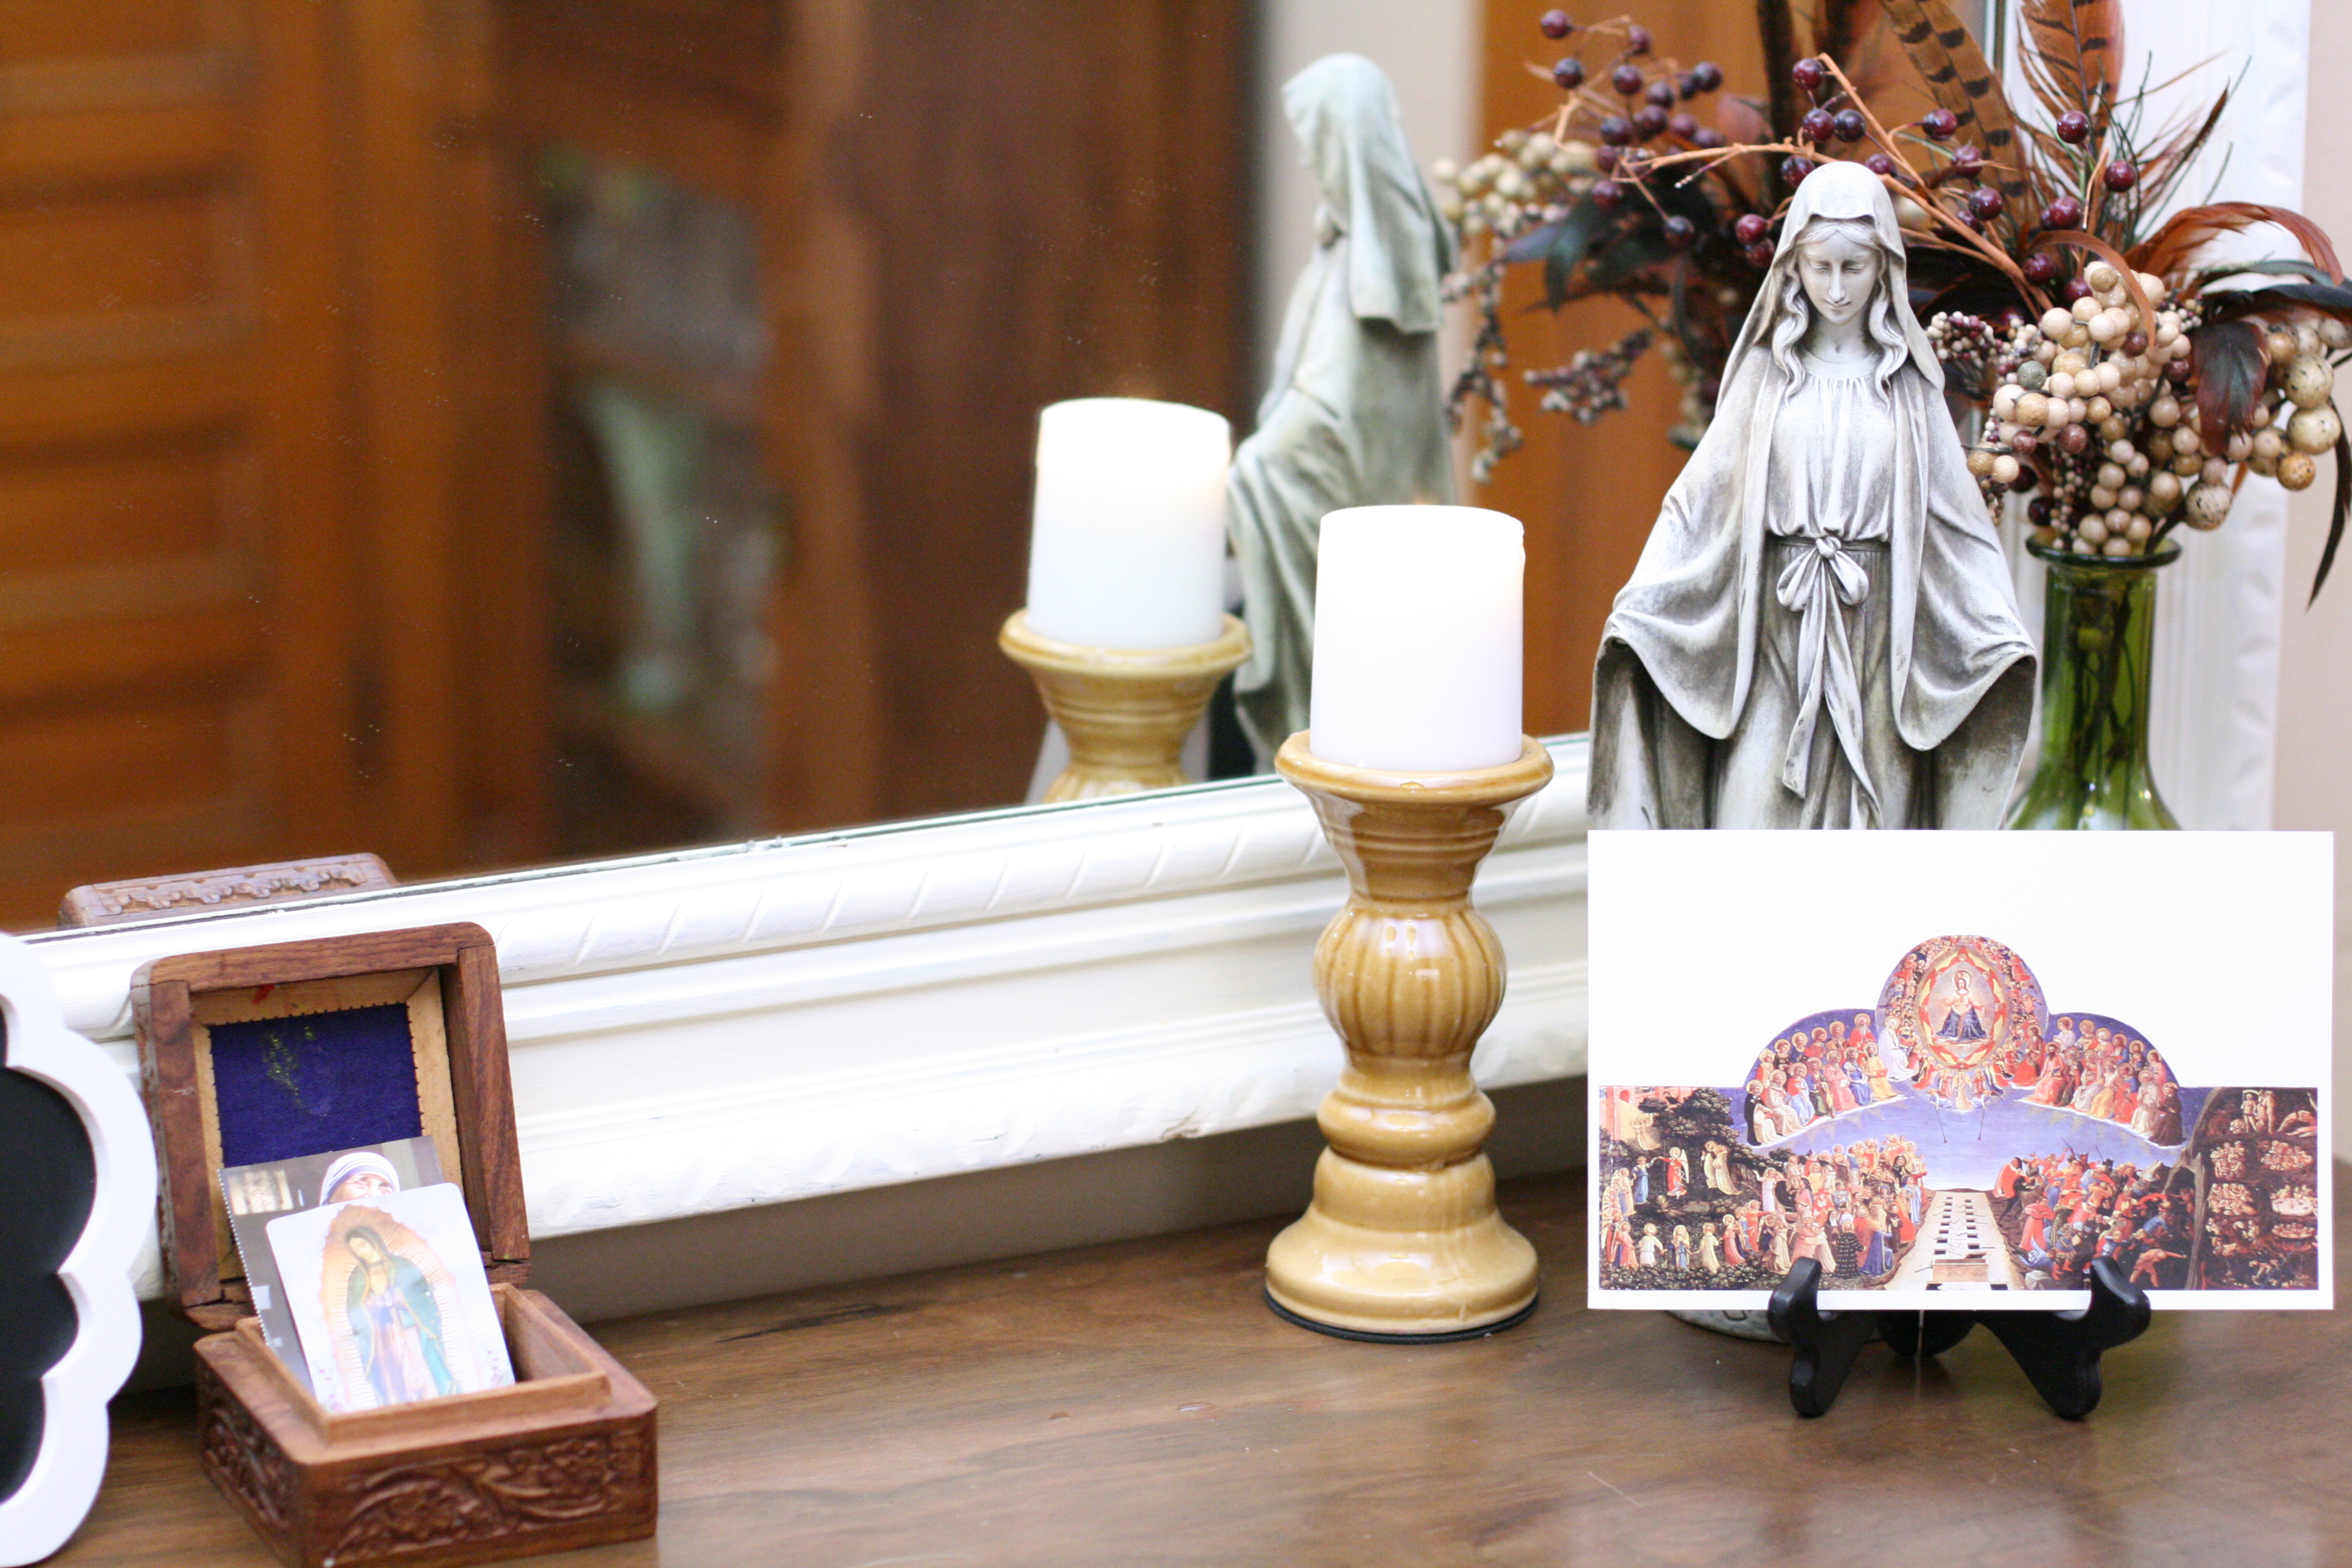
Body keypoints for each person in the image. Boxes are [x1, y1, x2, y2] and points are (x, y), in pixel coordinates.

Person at [1587, 158, 2034, 829]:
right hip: (1774, 634)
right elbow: (1697, 506)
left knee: (1875, 829)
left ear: (1883, 267)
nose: (1835, 288)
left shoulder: (1908, 390)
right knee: (1754, 809)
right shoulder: (1767, 379)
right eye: (1819, 267)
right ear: (1793, 266)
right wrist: (1647, 607)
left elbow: (1958, 525)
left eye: (1853, 268)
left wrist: (1996, 626)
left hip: (1878, 640)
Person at [1226, 54, 1457, 766]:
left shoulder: (1384, 268)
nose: (1303, 154)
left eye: (1313, 138)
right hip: (1326, 471)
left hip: (1339, 492)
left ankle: (1304, 718)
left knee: (1263, 474)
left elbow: (1343, 414)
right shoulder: (1355, 250)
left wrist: (1263, 462)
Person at [338, 1226, 458, 1407]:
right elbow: (355, 1311)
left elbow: (421, 1297)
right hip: (381, 1337)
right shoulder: (357, 1277)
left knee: (418, 1368)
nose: (360, 1251)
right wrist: (371, 1306)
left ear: (373, 1241)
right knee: (391, 1377)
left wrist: (397, 1298)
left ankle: (433, 1406)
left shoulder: (402, 1265)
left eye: (362, 1245)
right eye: (356, 1249)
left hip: (409, 1329)